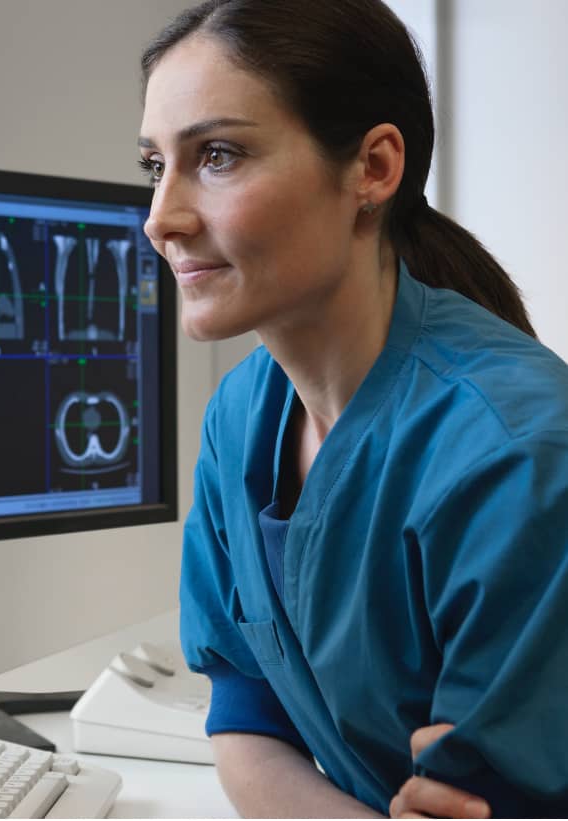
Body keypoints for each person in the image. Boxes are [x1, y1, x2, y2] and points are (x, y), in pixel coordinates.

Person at [137, 0, 568, 816]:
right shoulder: (241, 416)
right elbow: (244, 714)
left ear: (372, 167)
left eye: (218, 155)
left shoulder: (518, 451)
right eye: (153, 165)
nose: (161, 218)